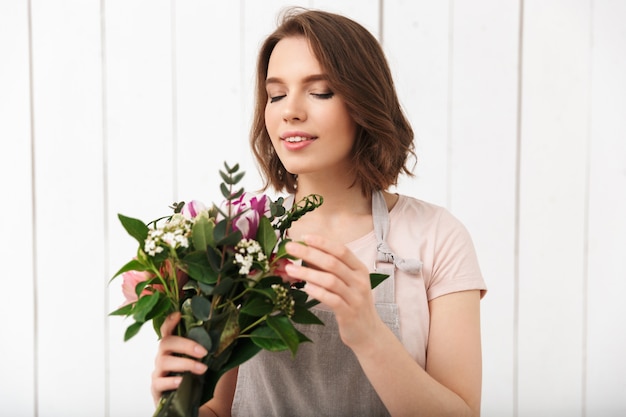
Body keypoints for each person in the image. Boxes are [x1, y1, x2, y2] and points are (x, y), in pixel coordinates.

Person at [151, 7, 487, 417]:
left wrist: (368, 334)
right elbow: (218, 412)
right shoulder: (236, 244)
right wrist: (175, 400)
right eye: (276, 95)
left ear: (364, 102)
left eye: (320, 91)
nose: (289, 110)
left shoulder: (437, 237)